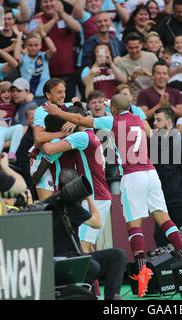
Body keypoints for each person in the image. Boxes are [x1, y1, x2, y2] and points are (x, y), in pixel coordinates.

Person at [44, 93, 182, 298]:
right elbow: (122, 107)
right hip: (151, 172)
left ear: (113, 110)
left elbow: (82, 120)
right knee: (165, 219)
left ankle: (142, 272)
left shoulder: (112, 120)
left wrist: (58, 112)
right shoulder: (137, 118)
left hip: (132, 175)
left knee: (134, 225)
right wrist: (112, 104)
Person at [41, 104, 112, 255]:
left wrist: (41, 141)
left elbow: (48, 149)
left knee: (84, 248)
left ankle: (87, 279)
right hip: (101, 195)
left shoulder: (82, 136)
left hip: (95, 196)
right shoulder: (92, 135)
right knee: (87, 247)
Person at [52, 168, 126, 300]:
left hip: (69, 258)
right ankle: (92, 294)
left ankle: (112, 297)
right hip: (69, 261)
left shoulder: (53, 202)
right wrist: (88, 197)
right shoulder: (70, 205)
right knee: (99, 262)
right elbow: (97, 222)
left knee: (116, 255)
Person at [151, 107, 182, 257]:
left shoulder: (180, 142)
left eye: (158, 120)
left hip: (181, 200)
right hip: (163, 201)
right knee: (162, 239)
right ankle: (175, 275)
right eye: (154, 120)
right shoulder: (155, 143)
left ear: (169, 122)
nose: (154, 123)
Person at [31, 78, 76, 200]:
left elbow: (85, 115)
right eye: (59, 92)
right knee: (47, 206)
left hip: (58, 161)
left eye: (64, 91)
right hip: (40, 160)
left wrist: (75, 123)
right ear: (48, 95)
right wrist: (62, 133)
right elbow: (39, 137)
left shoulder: (67, 106)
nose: (63, 95)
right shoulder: (41, 111)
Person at [29, 0, 81, 102]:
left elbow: (77, 28)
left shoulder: (66, 17)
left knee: (68, 104)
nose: (49, 4)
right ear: (40, 5)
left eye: (51, 1)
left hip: (68, 72)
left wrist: (62, 14)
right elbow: (36, 35)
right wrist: (53, 20)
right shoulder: (37, 19)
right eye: (45, 2)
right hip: (46, 75)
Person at [15, 21, 57, 107]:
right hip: (29, 97)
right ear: (26, 46)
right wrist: (19, 37)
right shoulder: (23, 58)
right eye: (30, 45)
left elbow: (53, 50)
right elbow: (16, 57)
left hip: (46, 97)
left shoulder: (43, 56)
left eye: (36, 45)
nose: (33, 48)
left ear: (41, 45)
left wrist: (42, 32)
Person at [136, 61, 182, 127]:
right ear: (152, 76)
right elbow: (142, 117)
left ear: (168, 76)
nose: (162, 76)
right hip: (152, 132)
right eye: (158, 73)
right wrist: (159, 105)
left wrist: (168, 105)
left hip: (172, 132)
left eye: (164, 73)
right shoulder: (144, 93)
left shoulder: (175, 92)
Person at [115, 32, 159, 104]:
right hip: (135, 97)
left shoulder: (152, 57)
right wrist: (131, 78)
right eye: (131, 48)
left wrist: (148, 74)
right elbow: (123, 87)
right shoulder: (122, 62)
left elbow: (160, 79)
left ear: (141, 45)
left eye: (136, 47)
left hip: (153, 93)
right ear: (126, 47)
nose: (134, 51)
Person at [0, 81, 24, 161]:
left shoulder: (14, 105)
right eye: (3, 92)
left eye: (9, 91)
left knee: (19, 127)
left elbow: (24, 99)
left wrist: (30, 96)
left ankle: (12, 153)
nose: (7, 94)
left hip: (6, 130)